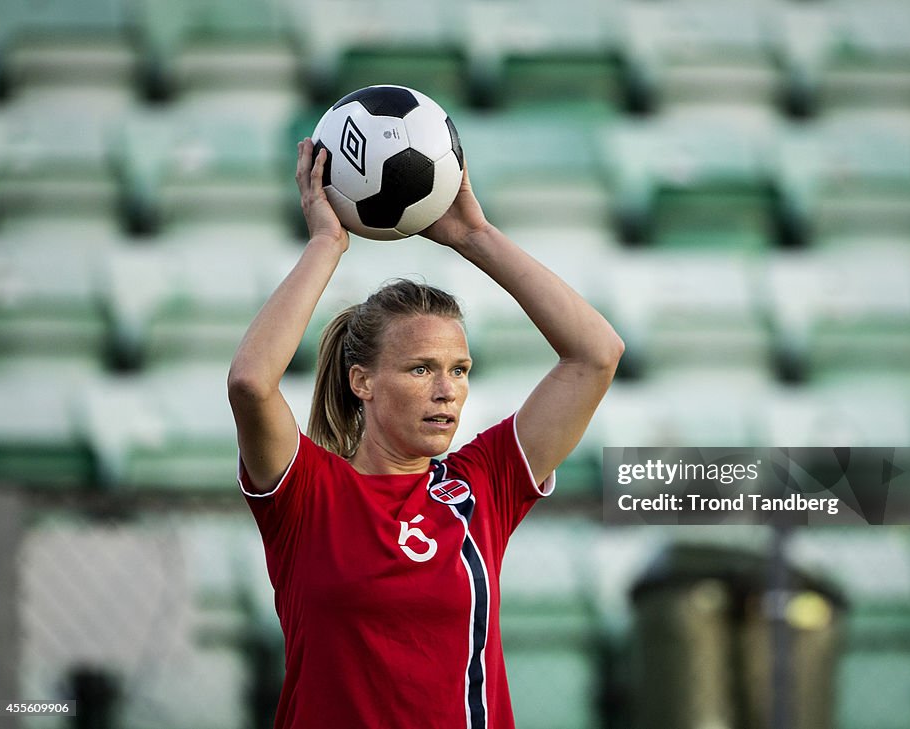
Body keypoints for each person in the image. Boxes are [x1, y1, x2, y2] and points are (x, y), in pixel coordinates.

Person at [227, 137, 624, 729]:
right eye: (421, 369)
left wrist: (474, 236)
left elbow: (597, 354)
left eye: (459, 370)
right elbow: (251, 384)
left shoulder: (482, 485)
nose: (447, 391)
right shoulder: (306, 494)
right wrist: (326, 244)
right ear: (362, 381)